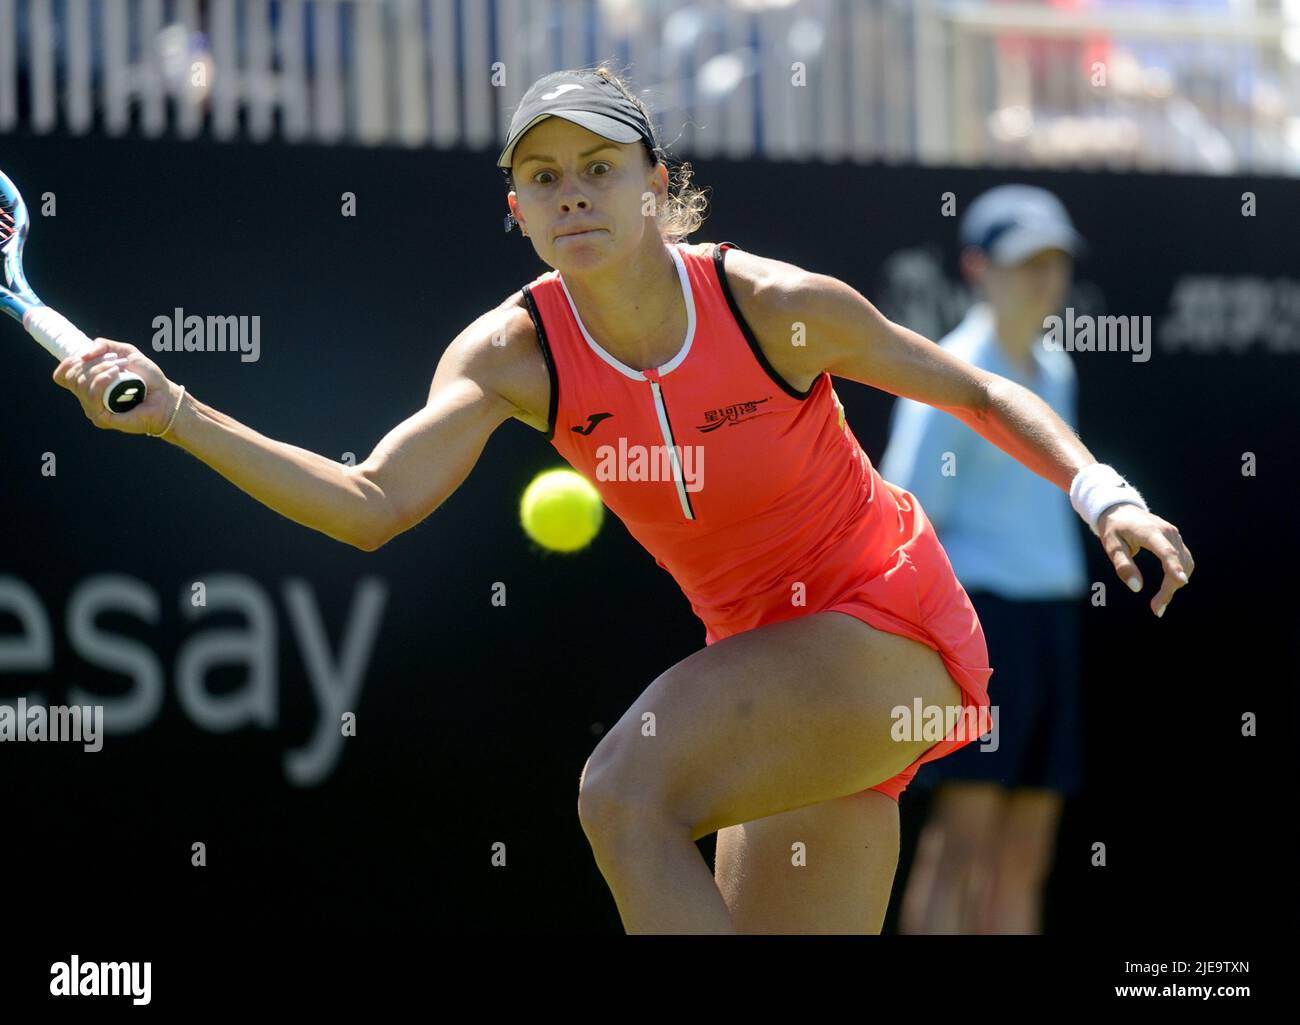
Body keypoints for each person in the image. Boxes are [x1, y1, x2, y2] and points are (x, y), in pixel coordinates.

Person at [52, 66, 1193, 935]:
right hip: (774, 664)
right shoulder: (511, 353)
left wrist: (1106, 495)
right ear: (518, 207)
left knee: (622, 787)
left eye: (598, 168)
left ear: (656, 184)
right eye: (542, 179)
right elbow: (369, 501)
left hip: (889, 624)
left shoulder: (776, 304)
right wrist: (177, 413)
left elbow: (980, 388)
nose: (572, 195)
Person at [883, 185, 1094, 934]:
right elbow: (905, 515)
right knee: (962, 843)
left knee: (1026, 848)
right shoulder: (950, 376)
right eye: (1024, 262)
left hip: (1052, 624)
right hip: (984, 630)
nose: (1044, 279)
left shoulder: (1056, 370)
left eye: (1054, 262)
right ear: (977, 267)